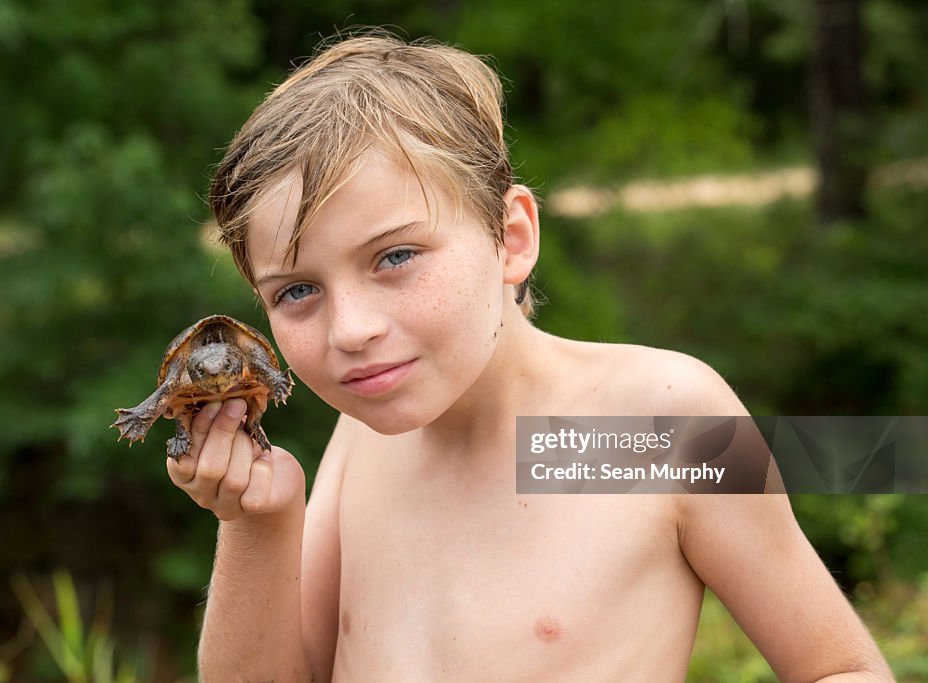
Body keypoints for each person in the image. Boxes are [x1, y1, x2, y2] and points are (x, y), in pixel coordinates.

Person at [167, 32, 893, 682]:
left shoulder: (659, 424)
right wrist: (258, 525)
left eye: (394, 256)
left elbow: (842, 667)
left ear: (511, 237)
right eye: (297, 290)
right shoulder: (362, 441)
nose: (350, 329)